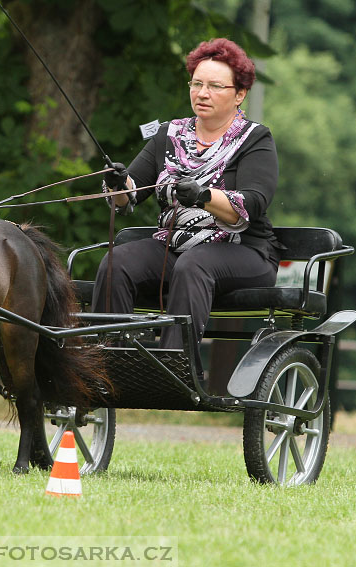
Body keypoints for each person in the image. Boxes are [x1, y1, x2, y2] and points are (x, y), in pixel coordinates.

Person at [93, 37, 283, 375]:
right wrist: (117, 183)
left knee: (193, 265)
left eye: (214, 86)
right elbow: (129, 196)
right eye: (197, 84)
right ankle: (110, 365)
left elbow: (253, 203)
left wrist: (204, 196)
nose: (202, 93)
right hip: (174, 246)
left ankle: (172, 368)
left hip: (244, 251)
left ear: (239, 94)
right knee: (115, 261)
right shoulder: (169, 134)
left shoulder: (255, 139)